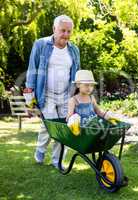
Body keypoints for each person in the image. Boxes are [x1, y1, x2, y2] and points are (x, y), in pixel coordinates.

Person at [24, 15, 80, 169]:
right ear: (54, 29)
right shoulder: (41, 45)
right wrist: (29, 99)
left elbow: (76, 75)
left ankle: (58, 161)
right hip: (45, 94)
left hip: (65, 96)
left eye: (69, 31)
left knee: (64, 129)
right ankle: (40, 150)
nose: (66, 35)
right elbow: (32, 70)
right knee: (50, 127)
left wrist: (77, 96)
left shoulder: (74, 50)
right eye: (63, 30)